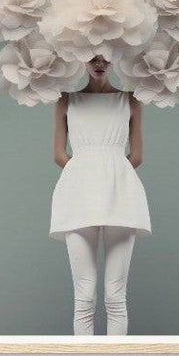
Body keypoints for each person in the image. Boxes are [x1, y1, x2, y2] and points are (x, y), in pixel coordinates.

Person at [50, 56, 148, 336]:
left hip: (121, 194)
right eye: (92, 56)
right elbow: (58, 154)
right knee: (84, 295)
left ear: (118, 57)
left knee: (116, 295)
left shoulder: (131, 99)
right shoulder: (65, 99)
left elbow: (137, 154)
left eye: (106, 57)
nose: (99, 62)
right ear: (79, 57)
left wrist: (112, 174)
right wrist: (87, 173)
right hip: (78, 195)